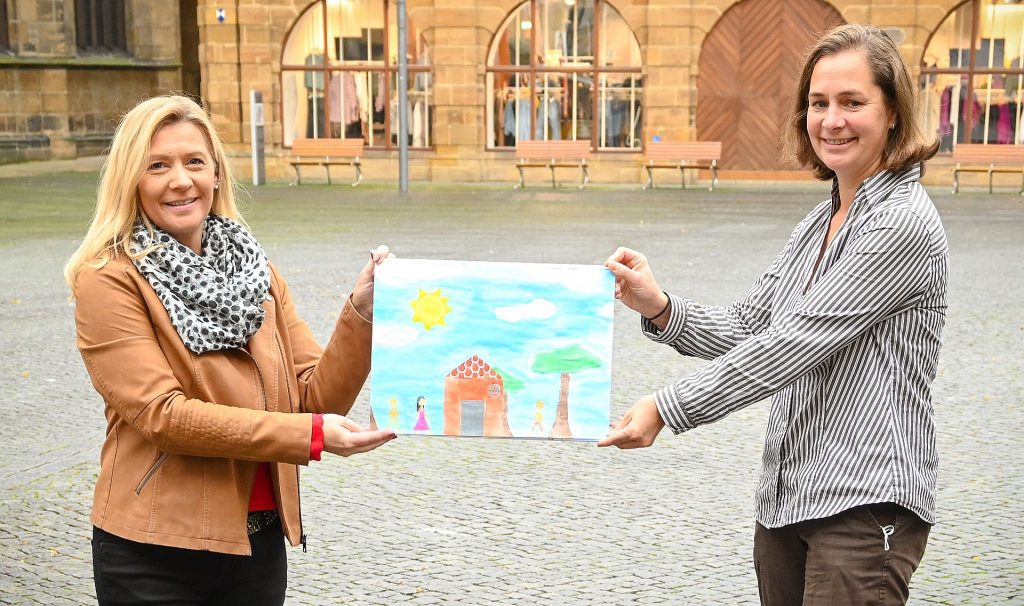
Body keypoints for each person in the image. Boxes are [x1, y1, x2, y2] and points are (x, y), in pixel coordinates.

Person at [600, 24, 946, 605]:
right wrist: (659, 307)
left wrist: (666, 408)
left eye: (852, 102)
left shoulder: (900, 224)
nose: (831, 120)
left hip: (864, 509)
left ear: (893, 113)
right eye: (818, 103)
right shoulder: (823, 219)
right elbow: (752, 324)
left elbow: (789, 346)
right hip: (791, 495)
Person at [63, 95, 397, 606]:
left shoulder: (254, 271)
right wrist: (308, 436)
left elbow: (313, 398)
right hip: (154, 550)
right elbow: (164, 416)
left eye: (194, 161)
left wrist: (363, 309)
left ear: (216, 174)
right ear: (132, 180)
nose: (180, 180)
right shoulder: (110, 279)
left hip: (257, 546)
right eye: (158, 166)